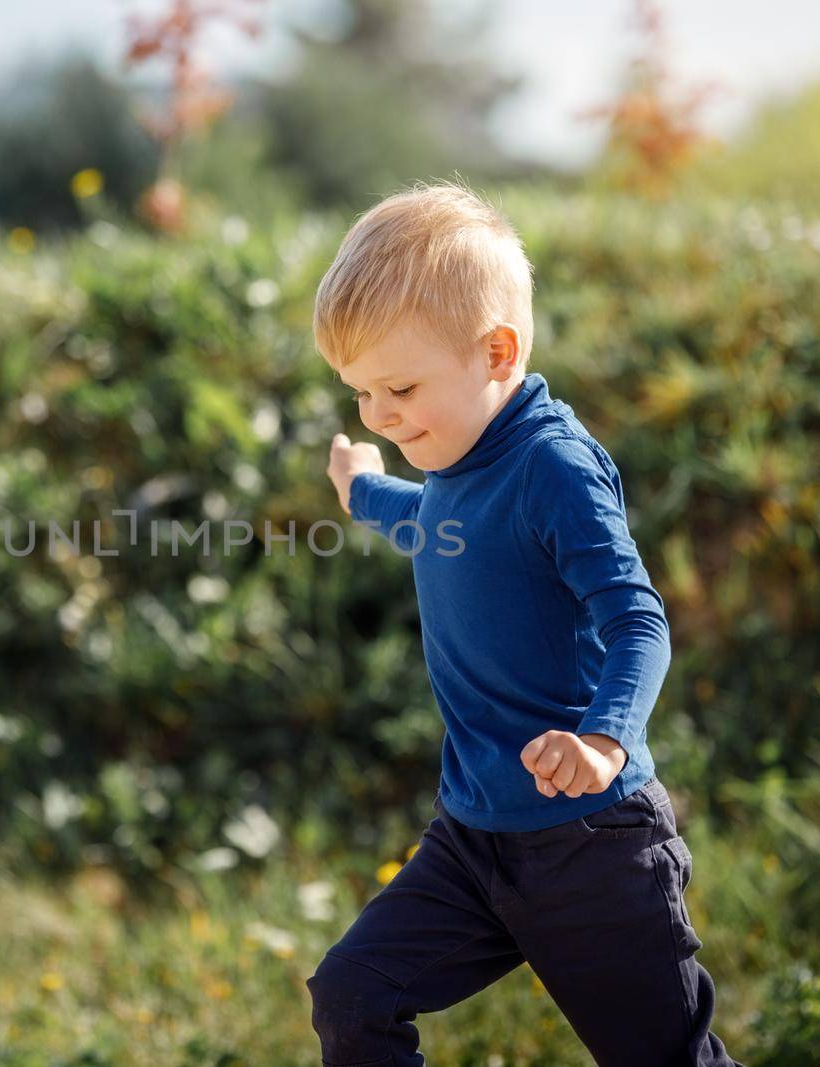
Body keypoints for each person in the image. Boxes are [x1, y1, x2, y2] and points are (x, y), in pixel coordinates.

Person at [306, 177, 742, 1066]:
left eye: (398, 387)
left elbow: (637, 620)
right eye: (361, 395)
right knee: (352, 996)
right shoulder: (456, 455)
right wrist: (359, 488)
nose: (382, 416)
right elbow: (425, 517)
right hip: (475, 840)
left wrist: (605, 740)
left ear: (496, 352)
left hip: (591, 844)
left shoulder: (554, 467)